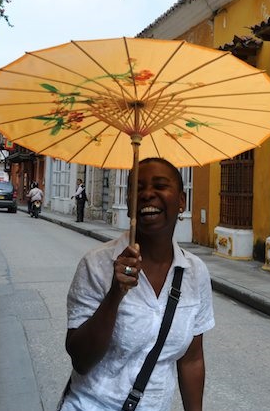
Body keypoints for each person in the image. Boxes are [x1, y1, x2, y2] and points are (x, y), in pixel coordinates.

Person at [61, 158, 215, 411]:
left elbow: (191, 359)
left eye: (160, 185)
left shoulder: (195, 272)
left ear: (181, 201)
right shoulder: (96, 264)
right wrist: (115, 295)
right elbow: (81, 359)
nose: (147, 195)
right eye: (138, 188)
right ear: (130, 204)